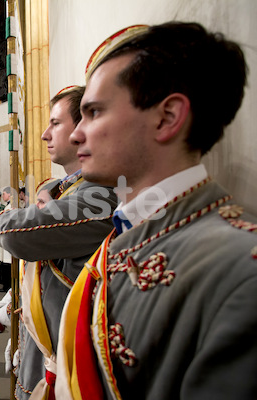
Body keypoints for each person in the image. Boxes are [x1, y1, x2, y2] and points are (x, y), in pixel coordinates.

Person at [55, 22, 256, 400]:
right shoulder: (128, 230)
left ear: (166, 118)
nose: (76, 134)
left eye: (94, 112)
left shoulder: (242, 273)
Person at [0, 86, 117, 400]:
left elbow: (13, 231)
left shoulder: (100, 194)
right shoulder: (61, 190)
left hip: (66, 361)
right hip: (43, 339)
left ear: (83, 128)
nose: (45, 134)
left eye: (55, 123)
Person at [0, 187, 14, 292]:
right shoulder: (8, 206)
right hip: (5, 236)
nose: (3, 196)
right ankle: (5, 284)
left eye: (4, 194)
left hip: (8, 237)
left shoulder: (11, 206)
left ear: (9, 194)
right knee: (5, 262)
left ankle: (7, 286)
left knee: (7, 263)